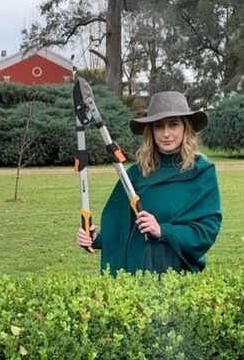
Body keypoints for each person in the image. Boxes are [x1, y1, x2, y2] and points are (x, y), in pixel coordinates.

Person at [76, 91, 222, 275]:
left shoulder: (202, 172)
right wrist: (95, 238)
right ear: (151, 131)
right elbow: (120, 226)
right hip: (134, 271)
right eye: (159, 126)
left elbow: (207, 230)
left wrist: (162, 230)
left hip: (176, 271)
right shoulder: (135, 174)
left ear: (186, 127)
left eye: (174, 124)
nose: (166, 133)